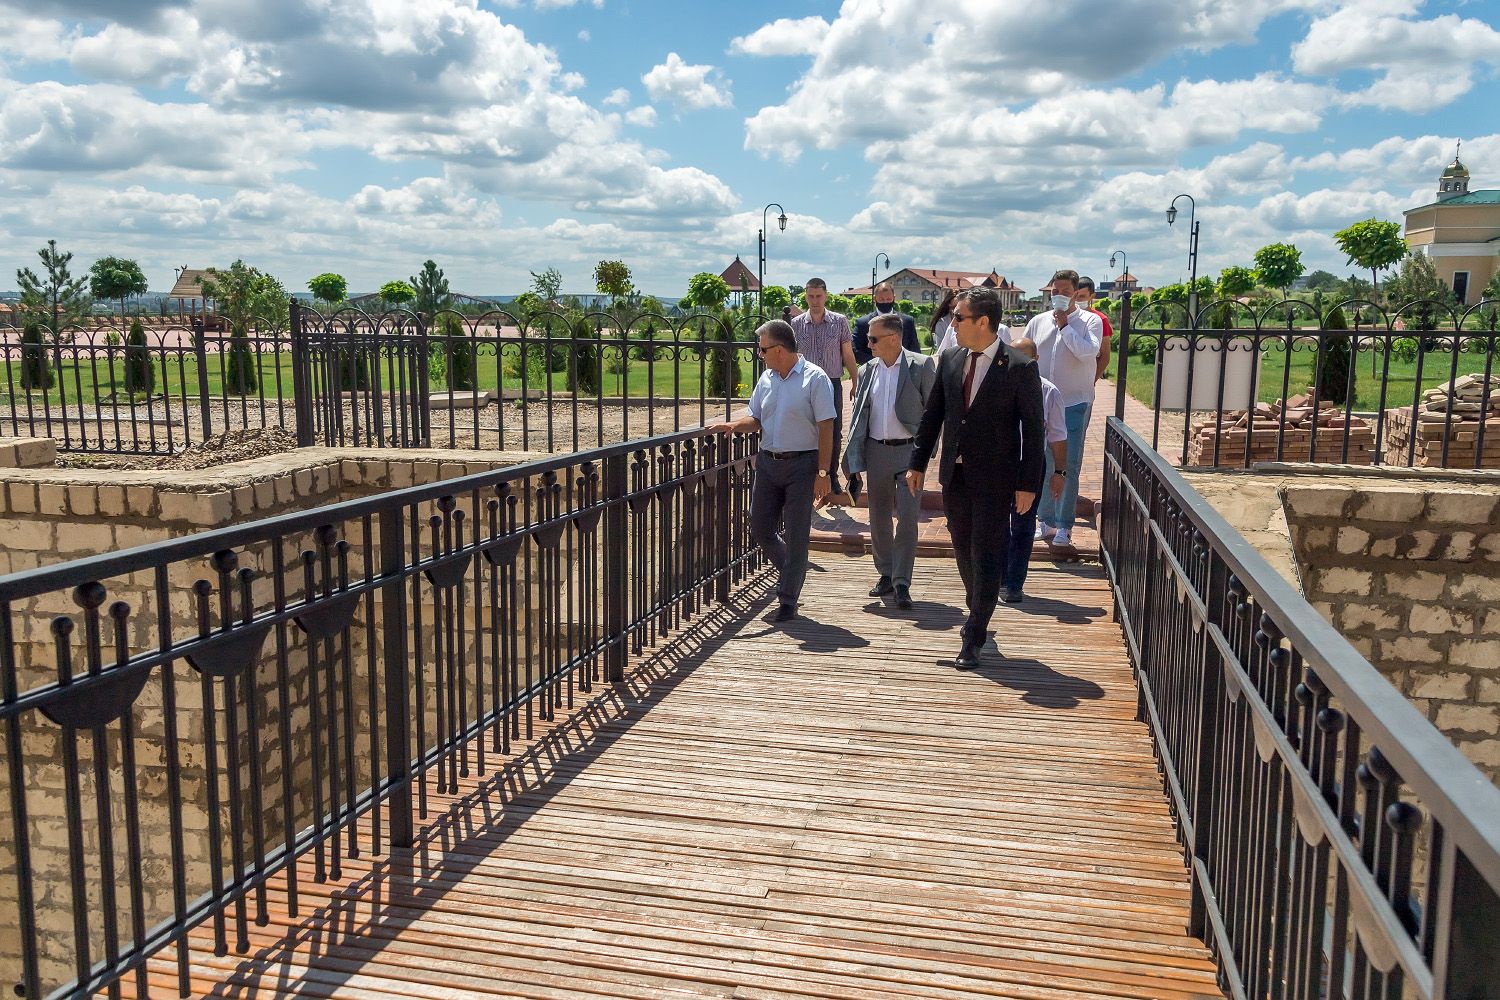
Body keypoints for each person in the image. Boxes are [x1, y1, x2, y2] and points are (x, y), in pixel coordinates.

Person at [907, 287, 1044, 669]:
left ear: (983, 322)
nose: (952, 323)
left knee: (986, 551)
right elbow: (933, 415)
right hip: (955, 475)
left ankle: (974, 632)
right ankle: (979, 605)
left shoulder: (1019, 366)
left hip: (996, 479)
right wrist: (918, 462)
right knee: (964, 548)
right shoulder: (951, 359)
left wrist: (1027, 484)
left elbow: (1034, 431)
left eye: (958, 317)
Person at [710, 320, 835, 622]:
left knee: (796, 533)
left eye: (763, 349)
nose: (759, 354)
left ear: (779, 349)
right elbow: (756, 418)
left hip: (802, 465)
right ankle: (793, 571)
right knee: (760, 527)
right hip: (768, 463)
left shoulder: (815, 378)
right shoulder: (766, 378)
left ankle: (788, 599)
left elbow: (826, 426)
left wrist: (823, 473)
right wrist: (733, 425)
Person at [843, 313, 937, 610]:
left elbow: (934, 414)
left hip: (909, 453)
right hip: (876, 451)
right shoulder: (867, 370)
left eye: (873, 339)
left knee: (908, 517)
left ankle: (902, 581)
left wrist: (924, 456)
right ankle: (885, 572)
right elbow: (859, 416)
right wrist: (854, 458)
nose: (867, 344)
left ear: (893, 338)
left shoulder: (921, 365)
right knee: (878, 516)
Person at [1021, 269, 1102, 552]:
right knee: (1042, 462)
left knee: (1067, 465)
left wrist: (1066, 326)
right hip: (1041, 403)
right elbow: (1023, 355)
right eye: (1055, 291)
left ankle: (1064, 524)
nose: (1059, 296)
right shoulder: (1038, 321)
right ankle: (1045, 521)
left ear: (1076, 293)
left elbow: (1088, 352)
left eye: (1065, 292)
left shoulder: (1090, 321)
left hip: (1073, 403)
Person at [1003, 338, 1068, 603]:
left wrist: (1059, 473)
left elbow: (1058, 436)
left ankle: (1014, 582)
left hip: (1029, 466)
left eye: (1023, 358)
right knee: (996, 524)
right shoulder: (996, 385)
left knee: (1023, 524)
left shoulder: (1048, 392)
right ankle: (998, 576)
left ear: (1035, 361)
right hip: (998, 465)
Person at [790, 278, 860, 501]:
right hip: (805, 384)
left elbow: (847, 353)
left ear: (826, 296)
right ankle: (809, 475)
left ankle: (831, 474)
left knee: (834, 430)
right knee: (807, 429)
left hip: (831, 382)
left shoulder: (839, 321)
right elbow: (792, 356)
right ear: (805, 297)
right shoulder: (796, 324)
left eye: (818, 296)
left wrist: (855, 380)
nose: (815, 301)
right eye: (811, 296)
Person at [853, 281, 920, 363]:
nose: (885, 302)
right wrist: (877, 363)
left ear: (894, 298)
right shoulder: (863, 323)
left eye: (888, 299)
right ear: (874, 299)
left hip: (903, 368)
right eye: (881, 299)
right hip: (874, 368)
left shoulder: (907, 321)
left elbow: (915, 349)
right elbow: (855, 350)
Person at [1075, 276, 1114, 381]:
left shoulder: (1101, 319)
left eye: (1082, 296)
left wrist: (1092, 380)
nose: (1077, 300)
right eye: (1075, 296)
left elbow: (1105, 356)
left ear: (1092, 296)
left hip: (1087, 374)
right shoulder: (1066, 317)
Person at [932, 289, 960, 355]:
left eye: (958, 308)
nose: (955, 311)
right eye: (953, 307)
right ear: (948, 306)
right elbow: (942, 351)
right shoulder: (942, 323)